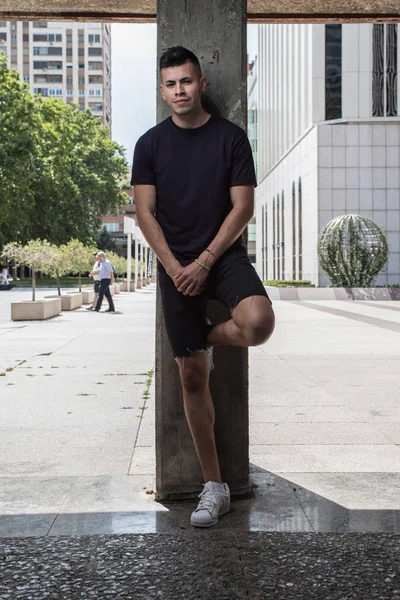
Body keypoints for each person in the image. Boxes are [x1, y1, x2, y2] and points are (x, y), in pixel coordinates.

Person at [131, 46, 275, 528]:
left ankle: (204, 336)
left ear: (202, 83)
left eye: (187, 82)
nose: (179, 91)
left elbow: (242, 208)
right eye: (171, 84)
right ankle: (215, 487)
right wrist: (175, 267)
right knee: (192, 376)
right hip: (174, 265)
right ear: (162, 89)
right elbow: (145, 214)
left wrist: (206, 261)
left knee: (258, 324)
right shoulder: (149, 145)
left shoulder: (231, 138)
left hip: (224, 256)